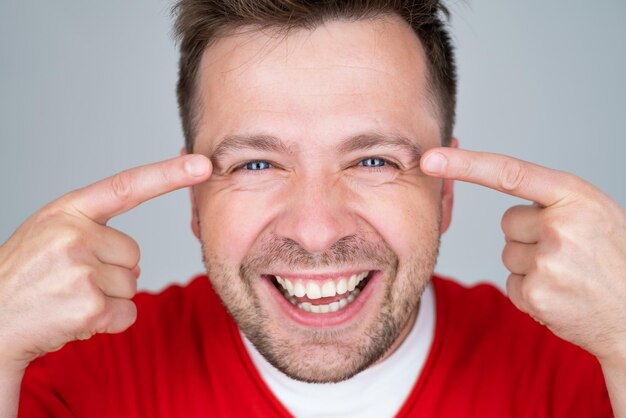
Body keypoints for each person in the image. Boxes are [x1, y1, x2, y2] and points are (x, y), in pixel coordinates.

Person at [1, 0, 624, 416]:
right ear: (195, 199)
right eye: (256, 164)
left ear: (447, 192)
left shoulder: (584, 368)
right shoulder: (70, 378)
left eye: (373, 161)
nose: (317, 230)